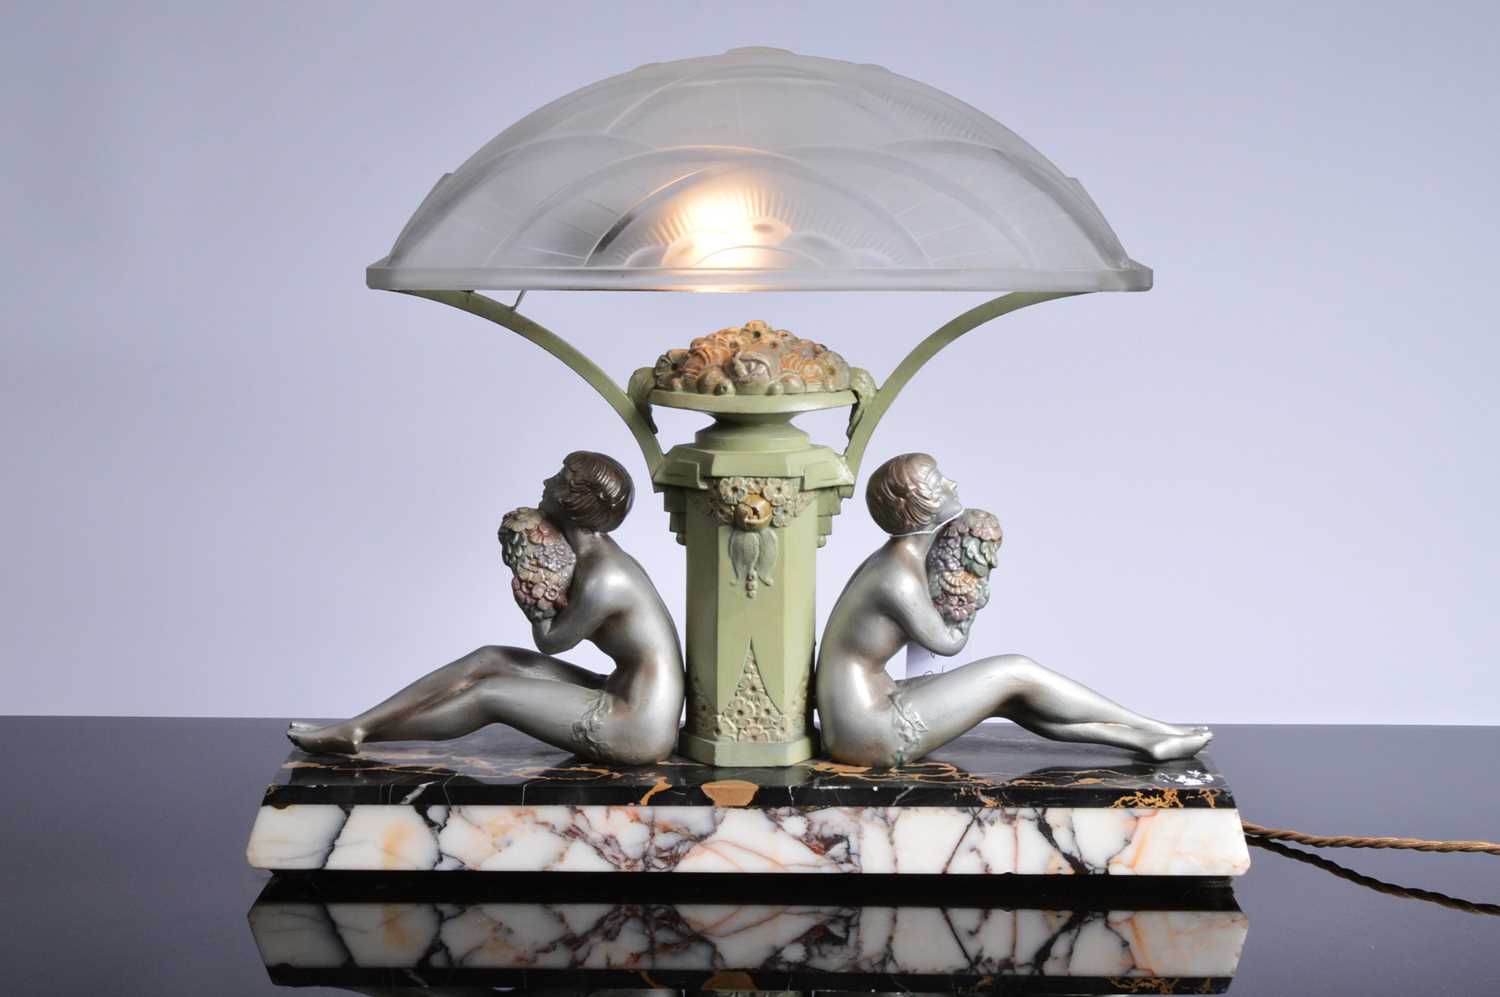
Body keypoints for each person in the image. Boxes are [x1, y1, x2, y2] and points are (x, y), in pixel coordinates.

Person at [815, 452, 1212, 768]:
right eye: (938, 481)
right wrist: (971, 583)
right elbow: (947, 642)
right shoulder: (897, 577)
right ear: (922, 503)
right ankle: (1151, 726)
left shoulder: (897, 561)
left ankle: (1147, 738)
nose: (952, 484)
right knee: (1015, 671)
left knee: (1011, 698)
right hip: (866, 729)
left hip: (868, 707)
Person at [287, 452, 684, 765]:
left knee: (489, 694)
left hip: (636, 722)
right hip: (619, 687)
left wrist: (532, 594)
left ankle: (365, 735)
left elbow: (551, 641)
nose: (546, 482)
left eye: (560, 478)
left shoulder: (604, 577)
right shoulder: (590, 556)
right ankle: (356, 726)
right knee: (491, 657)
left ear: (572, 499)